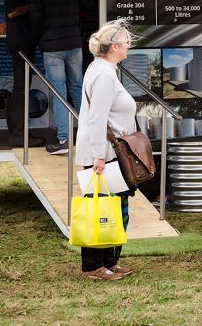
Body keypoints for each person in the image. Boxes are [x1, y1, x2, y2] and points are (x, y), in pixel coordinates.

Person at [75, 19, 137, 280]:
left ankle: (110, 261)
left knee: (115, 206)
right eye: (126, 43)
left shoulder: (103, 70)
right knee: (101, 209)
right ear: (114, 47)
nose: (129, 47)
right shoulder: (102, 74)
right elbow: (97, 118)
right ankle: (93, 265)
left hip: (109, 153)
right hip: (105, 154)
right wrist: (99, 156)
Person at [30, 0, 94, 155]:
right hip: (74, 43)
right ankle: (88, 136)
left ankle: (64, 140)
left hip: (51, 46)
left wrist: (37, 38)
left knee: (58, 92)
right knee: (77, 88)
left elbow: (36, 16)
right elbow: (87, 4)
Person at [0, 0, 44, 147]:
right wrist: (34, 5)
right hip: (20, 40)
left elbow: (10, 14)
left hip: (23, 38)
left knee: (23, 85)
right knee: (21, 86)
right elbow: (13, 11)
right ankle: (18, 134)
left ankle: (20, 133)